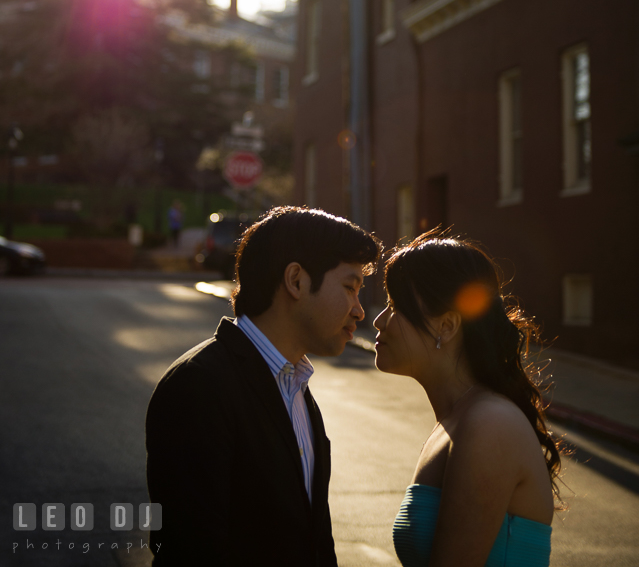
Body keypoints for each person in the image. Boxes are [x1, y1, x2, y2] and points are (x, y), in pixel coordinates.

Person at [146, 206, 381, 566]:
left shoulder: (297, 387)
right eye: (350, 288)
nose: (359, 311)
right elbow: (189, 551)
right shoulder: (199, 387)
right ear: (296, 281)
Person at [373, 234, 561, 567]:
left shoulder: (489, 423)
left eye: (396, 306)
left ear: (446, 326)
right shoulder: (455, 420)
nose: (378, 321)